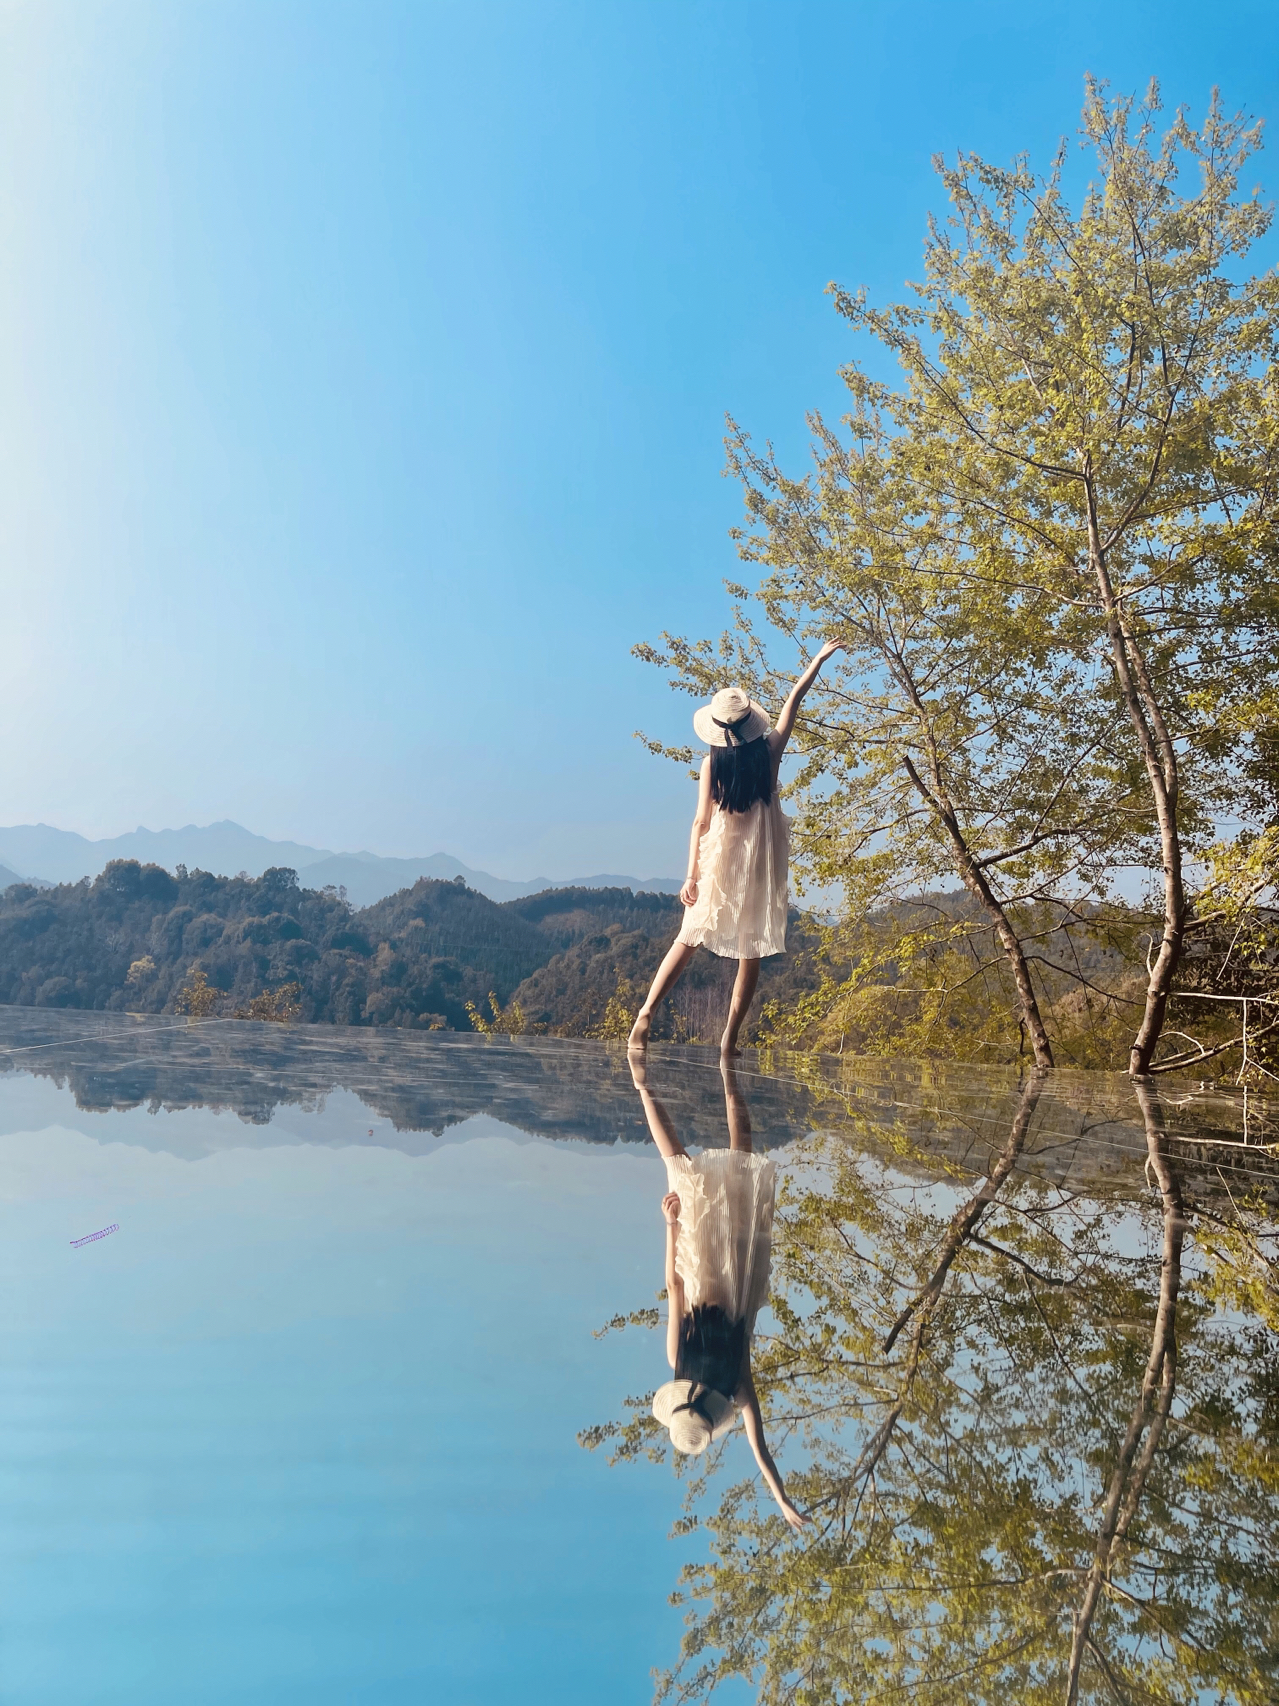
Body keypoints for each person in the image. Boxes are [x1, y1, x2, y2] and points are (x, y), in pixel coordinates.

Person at [628, 641, 843, 1056]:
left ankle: (646, 1015)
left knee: (688, 935)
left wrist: (690, 874)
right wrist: (817, 661)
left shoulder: (712, 764)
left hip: (720, 858)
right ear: (750, 724)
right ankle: (729, 1039)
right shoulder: (769, 753)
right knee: (752, 948)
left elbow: (700, 821)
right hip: (759, 861)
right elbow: (793, 702)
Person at [630, 1050, 810, 1531]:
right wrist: (670, 1226)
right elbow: (673, 1285)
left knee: (718, 1160)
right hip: (720, 1264)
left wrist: (669, 1226)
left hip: (725, 1267)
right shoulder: (708, 1373)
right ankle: (666, 1079)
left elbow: (759, 1447)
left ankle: (686, 1074)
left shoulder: (726, 1382)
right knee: (696, 1163)